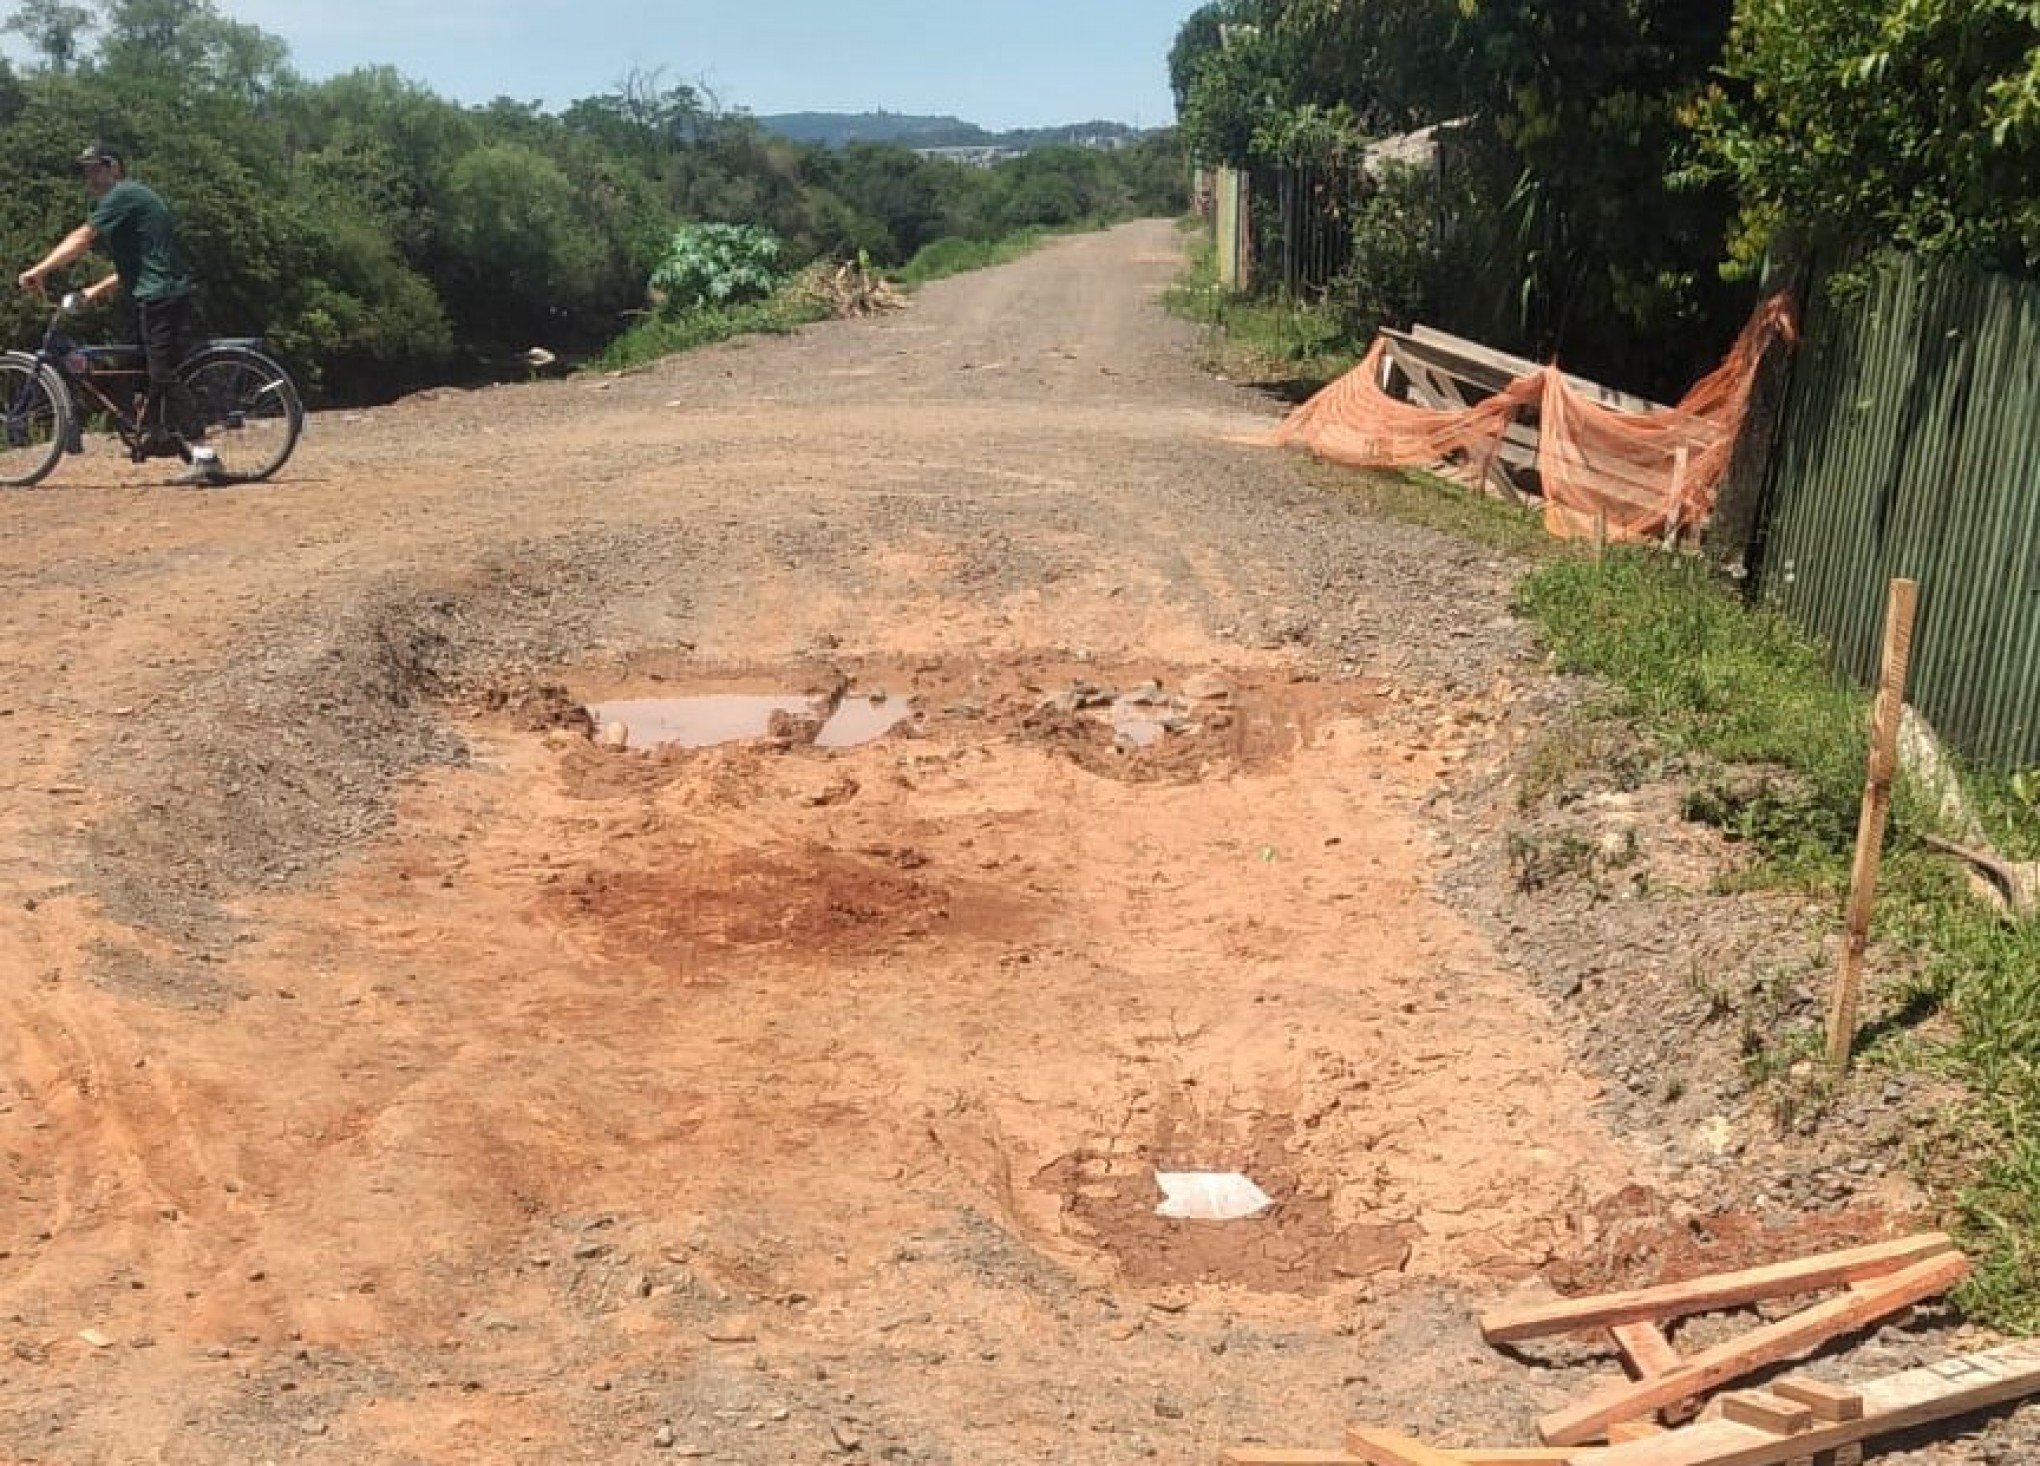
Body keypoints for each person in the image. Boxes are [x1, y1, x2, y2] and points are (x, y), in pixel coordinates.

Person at [16, 144, 224, 485]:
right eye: (85, 171)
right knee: (139, 371)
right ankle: (161, 436)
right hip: (149, 295)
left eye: (95, 168)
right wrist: (93, 292)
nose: (90, 176)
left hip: (163, 296)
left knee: (161, 373)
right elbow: (133, 266)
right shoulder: (123, 203)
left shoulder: (124, 194)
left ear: (114, 168)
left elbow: (81, 238)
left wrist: (40, 270)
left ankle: (205, 457)